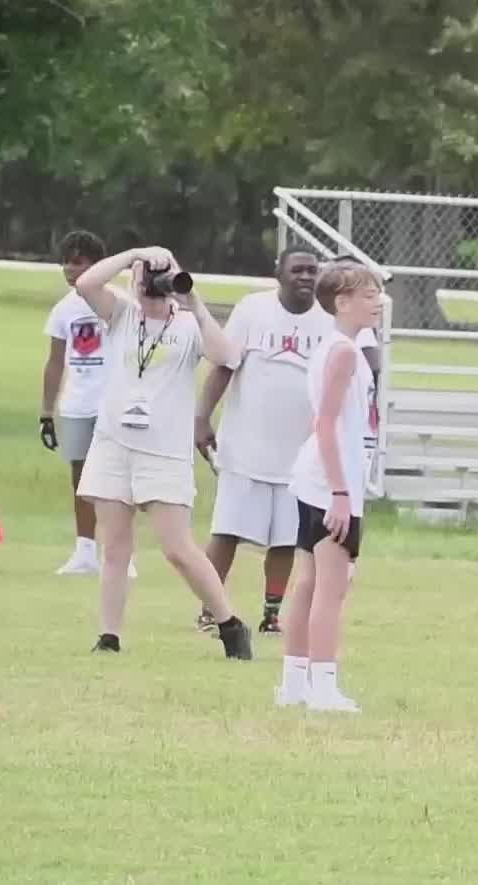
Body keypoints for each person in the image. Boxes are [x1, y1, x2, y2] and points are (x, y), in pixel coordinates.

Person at [71, 246, 252, 659]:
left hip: (163, 450)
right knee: (114, 546)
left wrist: (193, 299)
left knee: (177, 548)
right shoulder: (120, 313)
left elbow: (227, 356)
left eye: (161, 275)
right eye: (146, 276)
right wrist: (133, 255)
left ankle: (229, 623)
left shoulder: (188, 325)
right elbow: (85, 282)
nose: (153, 283)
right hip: (114, 443)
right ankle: (109, 636)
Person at [194, 248, 379, 635]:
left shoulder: (334, 322)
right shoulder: (252, 309)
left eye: (313, 271)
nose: (305, 277)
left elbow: (367, 364)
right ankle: (211, 608)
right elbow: (224, 365)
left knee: (284, 540)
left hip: (301, 451)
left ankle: (272, 612)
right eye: (297, 270)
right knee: (227, 529)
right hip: (246, 442)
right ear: (277, 272)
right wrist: (201, 416)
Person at [275, 264, 384, 712]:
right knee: (330, 588)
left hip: (317, 478)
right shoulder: (342, 352)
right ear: (341, 302)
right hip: (328, 483)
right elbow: (325, 424)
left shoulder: (340, 349)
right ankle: (322, 685)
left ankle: (294, 682)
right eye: (368, 295)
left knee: (308, 582)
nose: (377, 301)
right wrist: (340, 493)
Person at [40, 229, 137, 578]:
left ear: (99, 266)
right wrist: (47, 412)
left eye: (79, 262)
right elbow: (55, 362)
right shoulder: (63, 310)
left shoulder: (121, 302)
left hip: (114, 404)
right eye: (66, 262)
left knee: (118, 480)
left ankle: (123, 553)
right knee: (81, 478)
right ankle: (84, 552)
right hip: (77, 405)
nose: (70, 269)